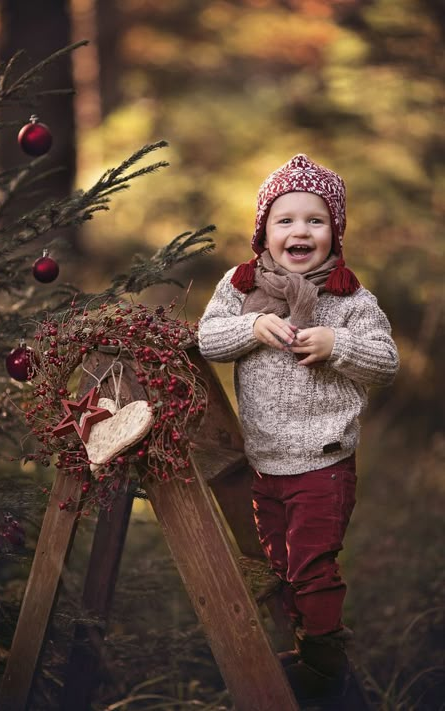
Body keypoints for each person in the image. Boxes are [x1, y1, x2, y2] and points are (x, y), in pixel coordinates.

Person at [198, 154, 399, 703]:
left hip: (323, 460)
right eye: (285, 220)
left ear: (335, 231)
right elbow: (207, 339)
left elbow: (385, 362)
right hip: (266, 457)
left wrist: (339, 346)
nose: (300, 231)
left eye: (316, 220)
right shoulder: (240, 287)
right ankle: (306, 639)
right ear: (263, 229)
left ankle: (323, 659)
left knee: (313, 563)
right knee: (279, 563)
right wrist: (251, 326)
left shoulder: (349, 297)